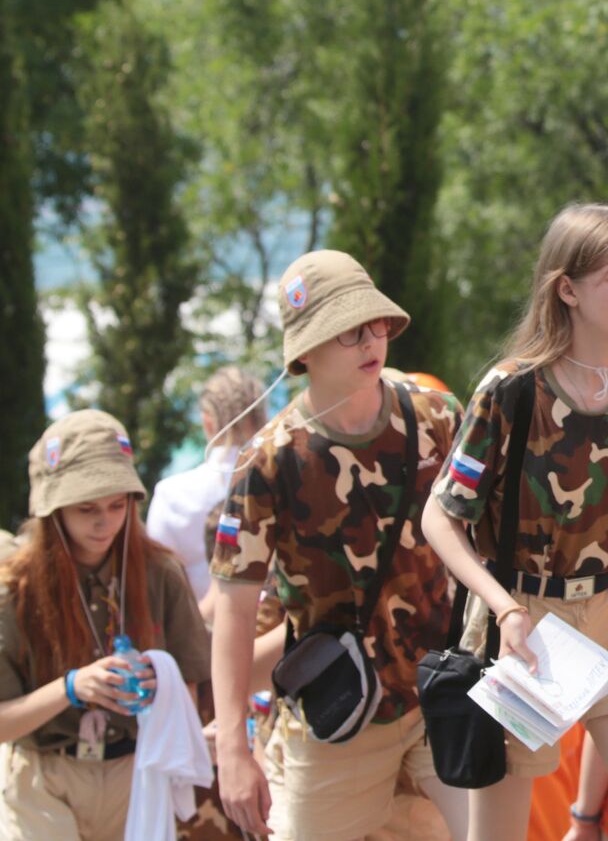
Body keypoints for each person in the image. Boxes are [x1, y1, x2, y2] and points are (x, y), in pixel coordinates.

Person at [421, 203, 608, 841]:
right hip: (526, 633)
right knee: (502, 833)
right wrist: (503, 609)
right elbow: (440, 519)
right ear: (568, 289)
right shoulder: (510, 391)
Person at [210, 249, 469, 840]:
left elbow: (487, 539)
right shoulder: (269, 460)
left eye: (376, 324)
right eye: (349, 331)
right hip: (338, 716)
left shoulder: (436, 417)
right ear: (306, 351)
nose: (371, 340)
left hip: (444, 695)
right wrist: (232, 747)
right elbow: (234, 609)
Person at [0, 410, 210, 839]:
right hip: (43, 778)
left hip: (134, 773)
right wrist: (71, 687)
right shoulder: (12, 588)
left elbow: (194, 692)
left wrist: (161, 688)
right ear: (51, 510)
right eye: (86, 508)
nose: (105, 522)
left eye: (119, 505)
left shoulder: (160, 572)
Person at [146, 366, 268, 615]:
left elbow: (157, 588)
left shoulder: (171, 493)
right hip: (278, 636)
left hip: (199, 636)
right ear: (262, 417)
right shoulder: (283, 481)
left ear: (207, 422)